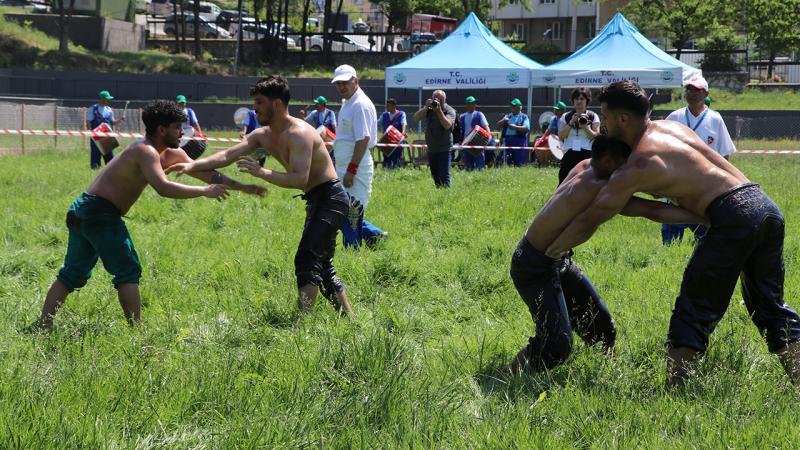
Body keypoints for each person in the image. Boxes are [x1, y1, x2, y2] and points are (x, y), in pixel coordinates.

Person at [545, 80, 800, 387]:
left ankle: (674, 392)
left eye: (606, 116)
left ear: (622, 119)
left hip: (733, 214)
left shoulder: (640, 162)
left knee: (694, 305)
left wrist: (552, 250)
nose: (603, 124)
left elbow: (593, 216)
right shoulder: (672, 129)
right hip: (765, 206)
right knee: (771, 306)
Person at [33, 100, 265, 329]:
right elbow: (164, 188)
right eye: (177, 127)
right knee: (128, 271)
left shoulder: (171, 154)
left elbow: (210, 175)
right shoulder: (144, 151)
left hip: (83, 210)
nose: (182, 132)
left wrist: (244, 187)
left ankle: (43, 324)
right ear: (162, 129)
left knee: (72, 274)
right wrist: (204, 192)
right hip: (99, 214)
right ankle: (136, 332)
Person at [507, 135, 703, 374]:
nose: (632, 169)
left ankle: (609, 373)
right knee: (556, 344)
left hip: (557, 260)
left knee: (602, 330)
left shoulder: (584, 165)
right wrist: (703, 216)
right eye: (627, 162)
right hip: (533, 266)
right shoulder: (596, 187)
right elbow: (651, 209)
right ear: (610, 161)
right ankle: (506, 377)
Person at [168, 76, 355, 317]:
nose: (254, 108)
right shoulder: (261, 134)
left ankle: (300, 325)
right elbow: (227, 155)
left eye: (259, 102)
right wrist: (191, 166)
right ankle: (349, 321)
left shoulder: (299, 133)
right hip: (317, 199)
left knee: (307, 259)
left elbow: (300, 179)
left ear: (276, 104)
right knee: (322, 264)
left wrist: (262, 172)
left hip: (332, 198)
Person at [660, 76, 736, 245]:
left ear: (706, 93)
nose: (692, 93)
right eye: (689, 90)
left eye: (697, 90)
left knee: (704, 231)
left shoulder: (715, 119)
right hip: (675, 182)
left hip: (705, 185)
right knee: (672, 228)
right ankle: (668, 257)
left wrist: (723, 184)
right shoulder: (675, 117)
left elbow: (724, 154)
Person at [330, 64, 387, 248]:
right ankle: (375, 235)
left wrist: (351, 171)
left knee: (351, 213)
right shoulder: (348, 102)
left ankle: (352, 255)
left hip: (356, 168)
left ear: (356, 81)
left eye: (345, 83)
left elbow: (363, 140)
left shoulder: (360, 104)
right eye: (338, 84)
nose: (341, 87)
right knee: (343, 212)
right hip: (345, 167)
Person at [557, 88, 600, 183]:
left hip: (587, 154)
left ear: (587, 100)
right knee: (564, 182)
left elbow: (596, 137)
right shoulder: (566, 116)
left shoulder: (593, 116)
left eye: (582, 99)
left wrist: (585, 127)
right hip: (569, 153)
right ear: (573, 101)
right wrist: (571, 122)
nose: (579, 101)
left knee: (586, 183)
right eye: (576, 99)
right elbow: (561, 136)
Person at [414, 90, 456, 187]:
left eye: (440, 100)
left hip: (445, 149)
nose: (438, 101)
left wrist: (439, 111)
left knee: (444, 176)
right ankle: (439, 196)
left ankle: (446, 196)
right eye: (435, 99)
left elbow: (447, 125)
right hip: (432, 148)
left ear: (445, 100)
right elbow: (416, 118)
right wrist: (425, 107)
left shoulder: (450, 110)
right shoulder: (429, 109)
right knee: (435, 176)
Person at [86, 90, 125, 169]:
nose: (109, 100)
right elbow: (88, 122)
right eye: (107, 99)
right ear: (102, 99)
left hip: (107, 136)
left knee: (110, 159)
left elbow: (112, 123)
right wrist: (90, 132)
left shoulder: (109, 109)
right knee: (95, 156)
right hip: (96, 137)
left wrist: (120, 119)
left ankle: (110, 172)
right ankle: (95, 170)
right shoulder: (93, 109)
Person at [458, 96, 491, 171]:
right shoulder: (462, 116)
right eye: (471, 103)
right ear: (467, 105)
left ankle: (480, 172)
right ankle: (469, 173)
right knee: (468, 162)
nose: (474, 105)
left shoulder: (479, 114)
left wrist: (488, 137)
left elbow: (486, 126)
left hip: (478, 141)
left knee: (479, 160)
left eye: (474, 103)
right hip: (466, 142)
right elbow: (460, 130)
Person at [497, 98, 530, 167]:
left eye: (514, 106)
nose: (512, 107)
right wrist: (503, 120)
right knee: (506, 160)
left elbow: (526, 128)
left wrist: (514, 127)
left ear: (519, 107)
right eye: (511, 106)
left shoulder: (524, 117)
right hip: (507, 140)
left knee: (519, 161)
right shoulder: (508, 116)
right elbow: (498, 124)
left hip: (519, 140)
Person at [379, 98, 407, 169]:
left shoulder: (401, 114)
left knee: (396, 159)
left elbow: (403, 123)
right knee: (386, 159)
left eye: (388, 106)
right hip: (386, 141)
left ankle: (396, 172)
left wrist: (403, 132)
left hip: (397, 141)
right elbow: (377, 123)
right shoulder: (384, 115)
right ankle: (386, 171)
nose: (386, 107)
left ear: (393, 106)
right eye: (386, 105)